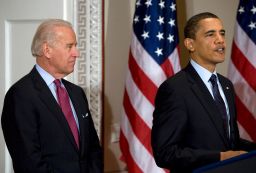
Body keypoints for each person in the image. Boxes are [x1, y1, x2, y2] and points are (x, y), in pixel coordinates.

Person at [151, 12, 256, 173]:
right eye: (210, 34)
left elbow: (229, 141)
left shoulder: (226, 85)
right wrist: (219, 157)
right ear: (190, 44)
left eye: (222, 33)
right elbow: (165, 153)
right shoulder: (175, 89)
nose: (220, 40)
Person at [1, 19, 103, 173]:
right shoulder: (21, 95)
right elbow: (29, 163)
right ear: (47, 50)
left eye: (75, 46)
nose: (77, 53)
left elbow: (93, 149)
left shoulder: (77, 93)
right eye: (69, 46)